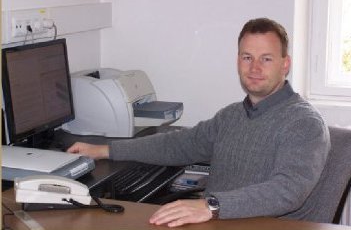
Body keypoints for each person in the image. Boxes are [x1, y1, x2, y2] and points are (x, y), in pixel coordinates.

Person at [67, 17, 331, 228]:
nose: (254, 68)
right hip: (217, 221)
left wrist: (210, 205)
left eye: (267, 59)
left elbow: (287, 191)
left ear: (285, 65)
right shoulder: (232, 116)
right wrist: (106, 150)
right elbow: (179, 144)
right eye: (247, 57)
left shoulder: (304, 123)